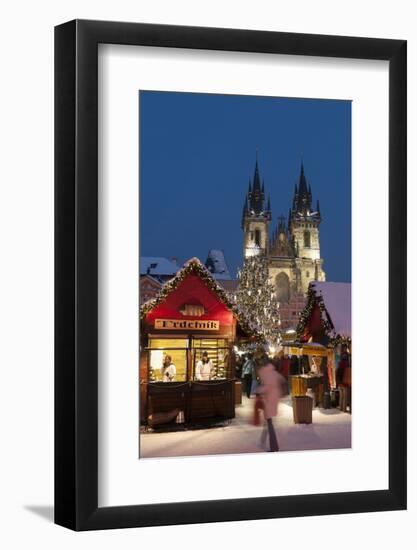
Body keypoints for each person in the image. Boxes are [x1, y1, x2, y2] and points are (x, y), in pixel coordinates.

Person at [256, 352, 284, 452]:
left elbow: (267, 386)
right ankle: (263, 441)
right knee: (268, 421)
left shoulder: (266, 373)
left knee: (269, 422)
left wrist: (258, 390)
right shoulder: (272, 371)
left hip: (270, 401)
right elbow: (281, 379)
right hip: (273, 399)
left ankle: (274, 447)